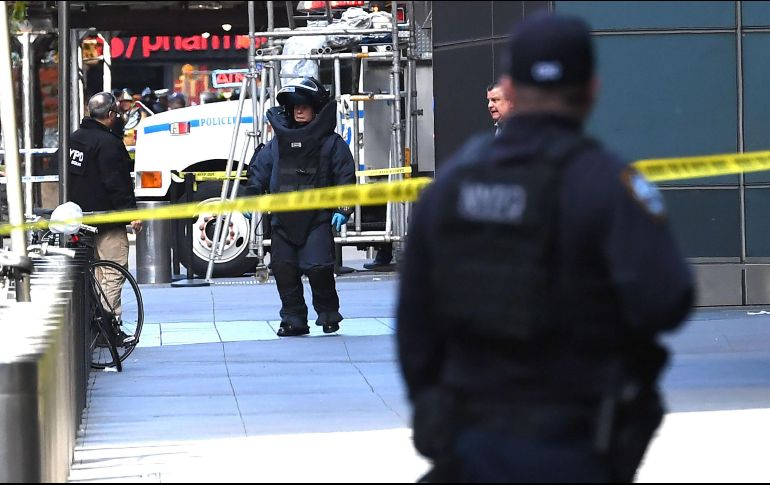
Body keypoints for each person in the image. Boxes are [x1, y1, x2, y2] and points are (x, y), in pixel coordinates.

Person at [396, 13, 694, 483]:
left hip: (472, 440)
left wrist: (433, 406)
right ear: (592, 89)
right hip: (577, 442)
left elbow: (414, 317)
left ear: (511, 87)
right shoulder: (609, 184)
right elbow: (668, 299)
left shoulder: (453, 184)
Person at [245, 76, 355, 337]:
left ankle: (328, 313)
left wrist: (343, 208)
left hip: (317, 218)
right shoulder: (277, 144)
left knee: (318, 267)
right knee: (284, 269)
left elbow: (345, 176)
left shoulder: (331, 143)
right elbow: (259, 171)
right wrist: (251, 197)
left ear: (316, 108)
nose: (299, 110)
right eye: (295, 106)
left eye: (304, 105)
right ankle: (293, 319)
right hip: (282, 220)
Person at [68, 92, 143, 345]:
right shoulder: (109, 143)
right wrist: (131, 214)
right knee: (113, 272)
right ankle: (108, 328)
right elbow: (117, 183)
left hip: (81, 219)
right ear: (110, 115)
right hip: (108, 220)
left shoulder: (75, 139)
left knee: (97, 273)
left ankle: (97, 326)